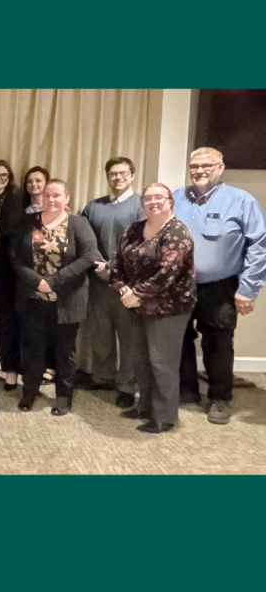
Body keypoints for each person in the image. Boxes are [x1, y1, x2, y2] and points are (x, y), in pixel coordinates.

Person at [173, 147, 266, 424]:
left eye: (206, 165)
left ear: (220, 167)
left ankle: (220, 398)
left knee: (218, 343)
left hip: (220, 287)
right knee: (180, 339)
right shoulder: (177, 197)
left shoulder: (241, 201)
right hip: (179, 285)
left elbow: (259, 247)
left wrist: (248, 289)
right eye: (194, 166)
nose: (199, 170)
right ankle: (187, 390)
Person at [111, 184, 196, 433]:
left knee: (162, 363)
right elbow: (118, 264)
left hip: (169, 309)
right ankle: (145, 407)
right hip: (135, 304)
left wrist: (136, 294)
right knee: (141, 360)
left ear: (170, 201)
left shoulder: (177, 232)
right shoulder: (134, 229)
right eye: (148, 198)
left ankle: (165, 416)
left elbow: (167, 273)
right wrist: (123, 290)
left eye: (159, 197)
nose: (153, 202)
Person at [13, 179, 100, 415]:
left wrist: (53, 282)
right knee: (33, 349)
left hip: (68, 300)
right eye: (48, 195)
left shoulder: (78, 223)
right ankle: (29, 392)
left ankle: (63, 396)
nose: (52, 200)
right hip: (33, 299)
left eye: (57, 195)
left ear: (67, 198)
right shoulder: (28, 222)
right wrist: (37, 281)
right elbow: (15, 256)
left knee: (65, 352)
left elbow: (90, 256)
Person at [80, 156, 144, 408]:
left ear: (132, 175)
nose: (118, 178)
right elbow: (85, 240)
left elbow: (142, 244)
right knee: (101, 333)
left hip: (128, 284)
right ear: (107, 177)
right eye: (112, 174)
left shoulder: (141, 206)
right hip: (97, 280)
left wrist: (113, 268)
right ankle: (103, 376)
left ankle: (127, 385)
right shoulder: (94, 206)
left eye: (123, 173)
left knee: (128, 337)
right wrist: (100, 266)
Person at [0, 159, 24, 390]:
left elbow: (13, 233)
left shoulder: (15, 200)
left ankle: (10, 371)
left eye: (4, 176)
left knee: (6, 321)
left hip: (5, 270)